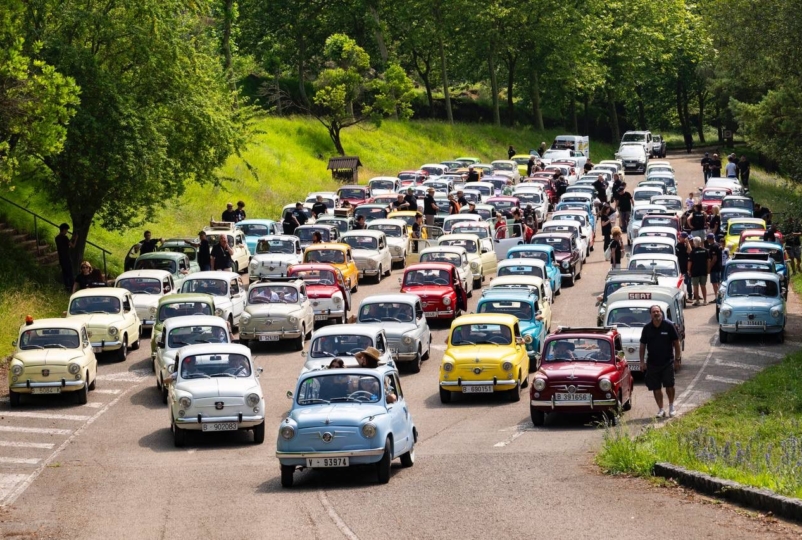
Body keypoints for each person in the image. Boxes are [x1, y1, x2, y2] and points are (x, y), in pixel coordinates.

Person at [639, 305, 682, 418]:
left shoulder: (669, 326)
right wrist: (642, 362)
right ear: (650, 315)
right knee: (656, 388)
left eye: (657, 311)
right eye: (653, 312)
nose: (656, 313)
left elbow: (676, 343)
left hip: (667, 362)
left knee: (670, 386)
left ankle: (671, 407)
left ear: (661, 313)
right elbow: (642, 345)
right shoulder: (647, 328)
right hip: (652, 364)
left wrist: (677, 359)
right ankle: (661, 409)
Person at [55, 223, 78, 292]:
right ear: (64, 230)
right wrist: (75, 239)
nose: (67, 232)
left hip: (61, 258)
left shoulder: (57, 238)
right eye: (66, 230)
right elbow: (72, 246)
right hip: (67, 257)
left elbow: (65, 244)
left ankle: (67, 287)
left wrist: (71, 239)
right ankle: (72, 288)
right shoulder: (65, 238)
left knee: (65, 273)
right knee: (70, 273)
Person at [688, 236, 709, 305]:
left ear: (694, 243)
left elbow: (690, 262)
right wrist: (708, 269)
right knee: (703, 286)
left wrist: (688, 270)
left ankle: (697, 301)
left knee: (695, 287)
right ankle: (705, 301)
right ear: (700, 242)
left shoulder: (693, 252)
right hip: (703, 271)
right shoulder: (705, 251)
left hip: (695, 271)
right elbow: (708, 261)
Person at [676, 232, 693, 301]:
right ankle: (683, 297)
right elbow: (688, 251)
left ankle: (690, 296)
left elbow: (690, 251)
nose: (680, 238)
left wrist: (687, 242)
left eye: (682, 237)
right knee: (682, 283)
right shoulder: (678, 245)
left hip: (686, 268)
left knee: (688, 283)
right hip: (680, 268)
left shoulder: (686, 245)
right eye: (680, 237)